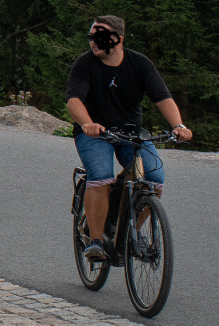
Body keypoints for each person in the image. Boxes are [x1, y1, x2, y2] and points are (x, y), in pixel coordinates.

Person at [65, 15, 192, 262]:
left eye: (99, 37)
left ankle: (131, 231)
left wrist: (178, 125)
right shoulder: (85, 64)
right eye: (91, 36)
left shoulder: (139, 64)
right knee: (101, 174)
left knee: (154, 179)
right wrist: (87, 123)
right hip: (96, 134)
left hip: (131, 134)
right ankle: (96, 241)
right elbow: (74, 99)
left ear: (118, 39)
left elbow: (162, 97)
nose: (93, 42)